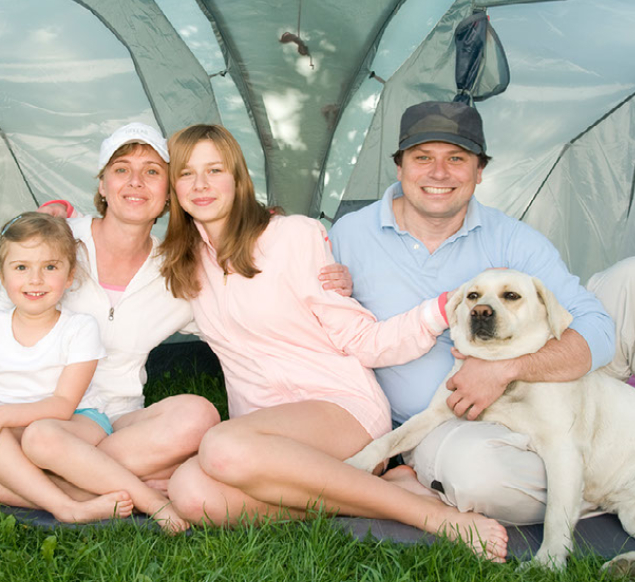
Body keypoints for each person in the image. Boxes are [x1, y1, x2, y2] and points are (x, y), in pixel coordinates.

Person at [0, 122, 350, 524]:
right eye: (122, 169)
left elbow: (252, 301)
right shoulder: (51, 245)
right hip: (9, 414)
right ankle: (84, 491)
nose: (135, 182)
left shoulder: (184, 265)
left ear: (170, 194)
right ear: (102, 184)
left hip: (109, 426)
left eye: (152, 171)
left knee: (196, 416)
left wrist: (329, 281)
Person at [328, 100, 635, 525]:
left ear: (480, 171)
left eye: (456, 159)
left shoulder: (512, 238)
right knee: (479, 478)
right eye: (422, 158)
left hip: (559, 387)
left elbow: (595, 328)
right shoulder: (350, 235)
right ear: (399, 166)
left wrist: (505, 369)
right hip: (453, 419)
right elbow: (304, 317)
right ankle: (631, 483)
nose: (439, 173)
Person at [159, 124, 509, 561]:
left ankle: (430, 516)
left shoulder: (291, 236)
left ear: (239, 178)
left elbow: (362, 338)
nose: (202, 185)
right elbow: (116, 291)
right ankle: (375, 489)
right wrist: (67, 229)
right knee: (190, 492)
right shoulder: (180, 264)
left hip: (339, 409)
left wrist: (437, 309)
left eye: (215, 170)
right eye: (187, 174)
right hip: (263, 429)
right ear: (172, 187)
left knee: (220, 447)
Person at [0, 211, 140, 524]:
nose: (35, 280)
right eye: (21, 267)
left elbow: (61, 406)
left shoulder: (78, 328)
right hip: (7, 430)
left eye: (49, 267)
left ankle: (56, 503)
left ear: (70, 275)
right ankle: (58, 499)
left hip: (71, 425)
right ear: (2, 274)